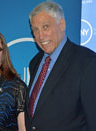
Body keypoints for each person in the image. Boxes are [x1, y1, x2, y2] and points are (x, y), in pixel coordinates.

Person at [25, 1, 96, 131]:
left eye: (46, 26)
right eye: (35, 29)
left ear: (62, 25)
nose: (40, 36)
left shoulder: (87, 62)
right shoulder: (34, 62)